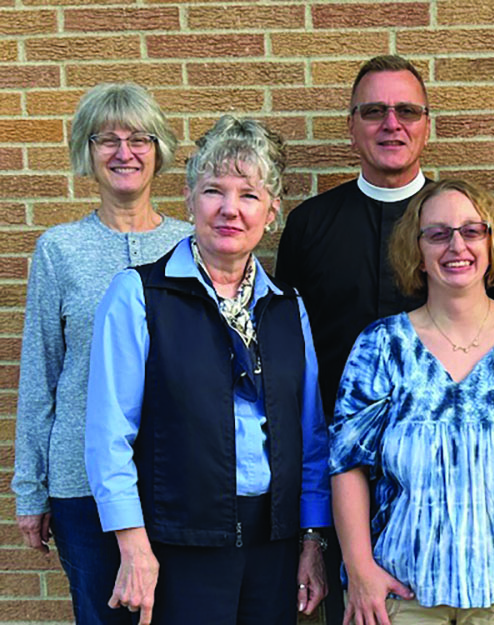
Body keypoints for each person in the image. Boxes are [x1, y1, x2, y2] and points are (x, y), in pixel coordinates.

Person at [84, 116, 331, 625]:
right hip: (177, 541)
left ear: (272, 211)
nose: (230, 209)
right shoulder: (139, 295)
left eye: (249, 195)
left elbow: (311, 436)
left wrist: (311, 539)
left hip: (274, 542)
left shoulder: (288, 307)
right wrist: (132, 544)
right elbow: (109, 434)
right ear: (190, 198)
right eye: (214, 190)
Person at [330, 179, 494, 625]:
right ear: (417, 249)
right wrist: (359, 569)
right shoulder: (382, 345)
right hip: (400, 594)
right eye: (438, 233)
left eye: (472, 231)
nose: (457, 245)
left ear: (493, 243)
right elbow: (347, 464)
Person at [11, 83, 191, 624]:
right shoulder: (59, 248)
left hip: (176, 477)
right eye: (106, 139)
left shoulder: (191, 244)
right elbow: (40, 371)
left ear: (159, 150)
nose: (124, 152)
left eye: (139, 138)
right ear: (86, 153)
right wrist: (31, 488)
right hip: (81, 482)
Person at [275, 53, 432, 623]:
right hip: (341, 471)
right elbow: (288, 356)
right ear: (351, 127)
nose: (392, 124)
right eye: (374, 111)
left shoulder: (456, 221)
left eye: (406, 110)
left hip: (442, 474)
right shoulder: (310, 225)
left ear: (426, 123)